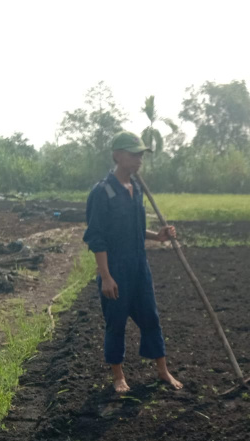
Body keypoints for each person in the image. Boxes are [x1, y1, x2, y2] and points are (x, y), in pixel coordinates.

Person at [83, 131, 183, 393]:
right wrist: (106, 276)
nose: (139, 160)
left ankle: (162, 370)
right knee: (116, 323)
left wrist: (157, 236)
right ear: (117, 156)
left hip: (140, 266)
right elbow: (96, 237)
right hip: (115, 268)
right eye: (133, 154)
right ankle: (119, 377)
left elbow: (135, 228)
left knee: (151, 318)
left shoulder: (136, 188)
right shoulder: (102, 192)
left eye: (141, 155)